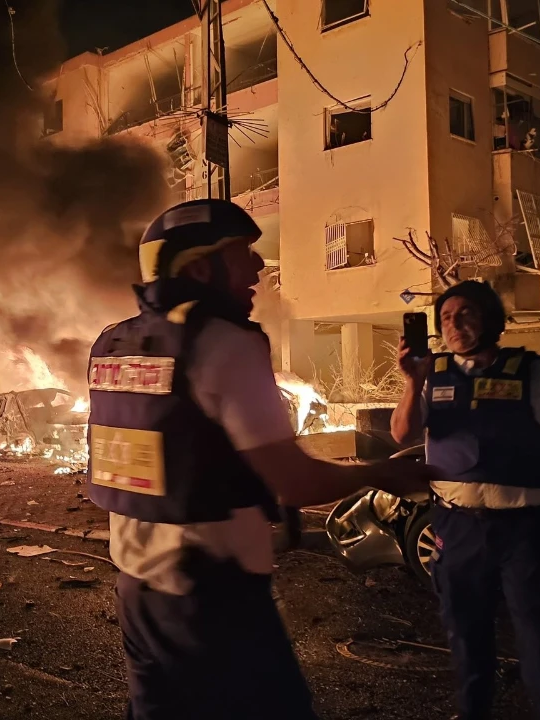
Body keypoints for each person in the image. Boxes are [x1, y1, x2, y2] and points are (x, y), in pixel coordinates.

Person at [87, 199, 438, 720]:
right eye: (241, 253)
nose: (258, 267)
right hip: (210, 597)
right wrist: (384, 473)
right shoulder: (223, 343)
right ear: (199, 268)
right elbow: (295, 482)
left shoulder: (113, 344)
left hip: (138, 592)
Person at [391, 280, 540, 720]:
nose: (454, 324)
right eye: (446, 317)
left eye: (466, 314)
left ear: (490, 319)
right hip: (457, 527)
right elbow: (401, 433)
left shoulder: (539, 373)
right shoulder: (432, 375)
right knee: (465, 637)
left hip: (527, 530)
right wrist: (412, 381)